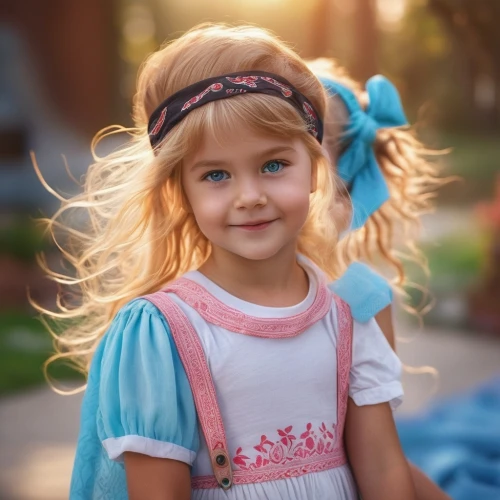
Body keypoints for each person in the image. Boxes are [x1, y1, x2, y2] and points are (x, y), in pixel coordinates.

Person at [33, 24, 416, 499]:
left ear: (316, 169)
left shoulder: (346, 318)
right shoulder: (161, 332)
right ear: (180, 194)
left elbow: (383, 471)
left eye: (273, 165)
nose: (250, 197)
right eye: (216, 174)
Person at [308, 59, 451, 499]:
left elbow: (372, 449)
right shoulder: (186, 297)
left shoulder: (362, 298)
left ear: (339, 179)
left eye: (303, 138)